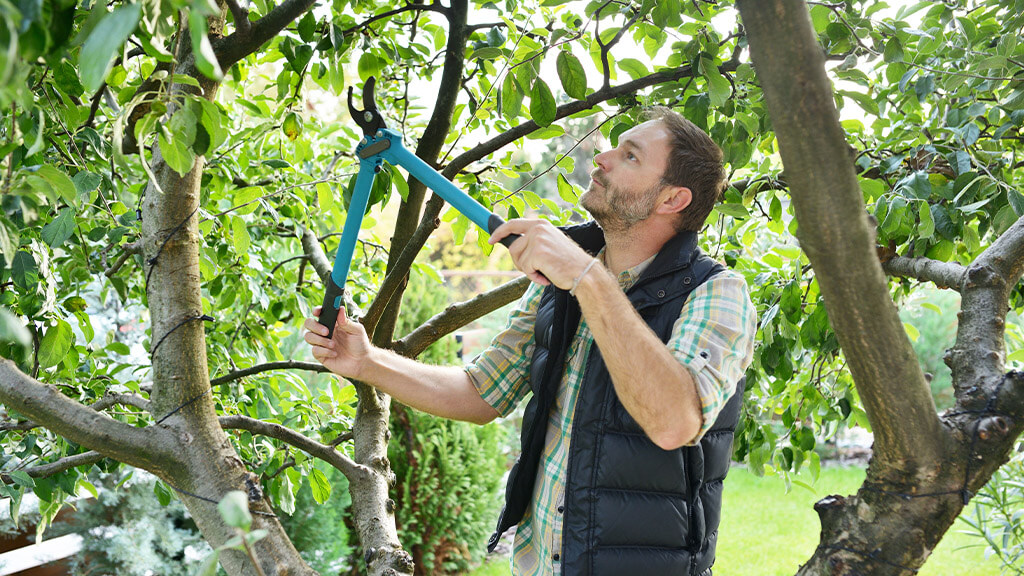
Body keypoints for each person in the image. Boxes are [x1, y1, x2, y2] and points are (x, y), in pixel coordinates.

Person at [304, 106, 756, 576]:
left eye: (630, 156)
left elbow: (673, 423)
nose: (602, 157)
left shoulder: (717, 292)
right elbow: (481, 392)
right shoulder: (563, 283)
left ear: (672, 199)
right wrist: (366, 361)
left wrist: (586, 278)